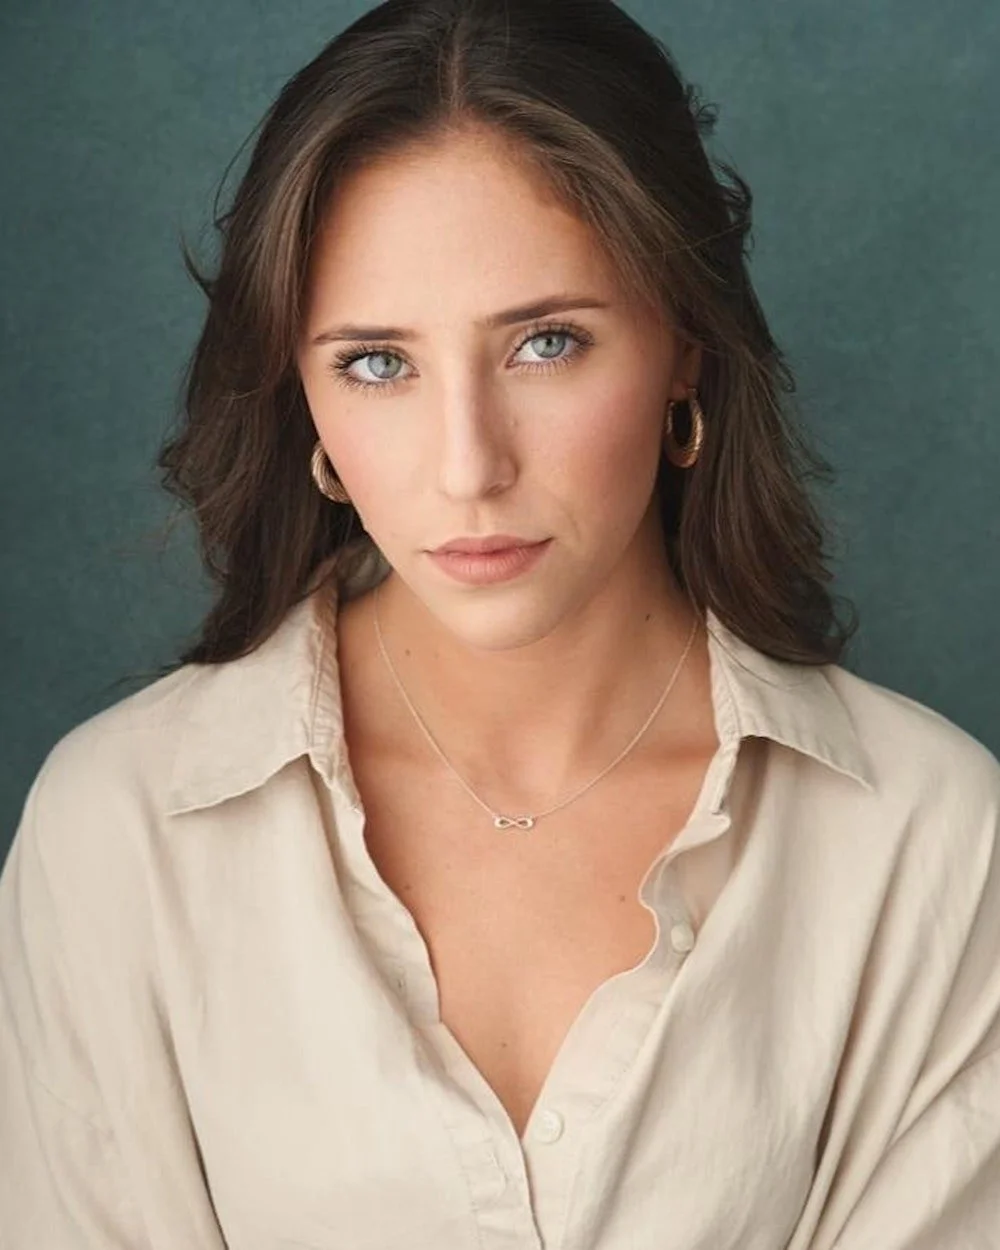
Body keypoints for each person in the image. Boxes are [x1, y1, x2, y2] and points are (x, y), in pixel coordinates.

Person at [2, 0, 998, 1245]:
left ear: (684, 345)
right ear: (299, 391)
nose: (468, 465)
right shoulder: (122, 828)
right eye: (376, 361)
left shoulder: (933, 837)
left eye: (545, 342)